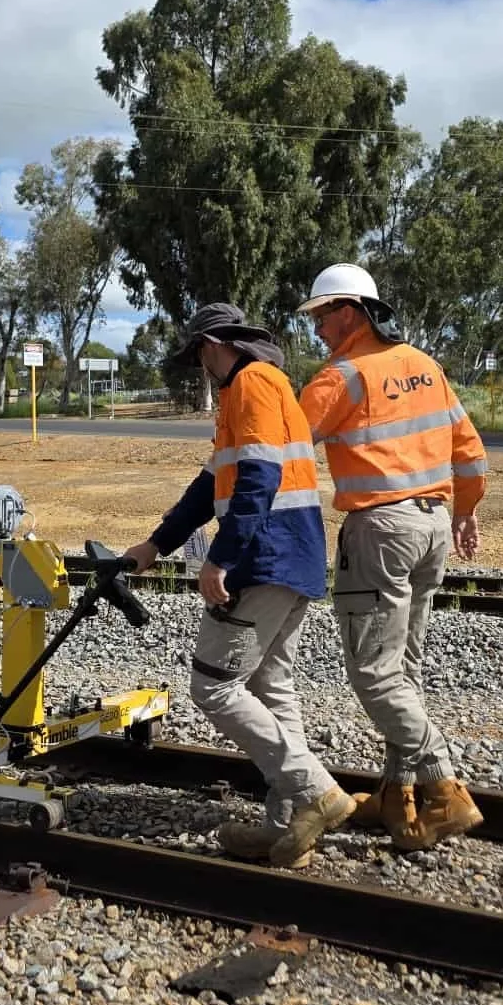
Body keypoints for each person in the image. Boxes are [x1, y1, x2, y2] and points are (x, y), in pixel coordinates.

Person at [123, 304, 355, 869]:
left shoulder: (251, 382)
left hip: (263, 556)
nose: (200, 365)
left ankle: (317, 792)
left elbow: (258, 479)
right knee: (273, 686)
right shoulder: (253, 390)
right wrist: (156, 545)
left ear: (213, 344)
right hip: (293, 558)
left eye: (199, 353)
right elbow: (209, 487)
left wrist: (220, 560)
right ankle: (288, 826)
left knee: (215, 687)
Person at [297, 264, 488, 853]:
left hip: (380, 528)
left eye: (322, 317)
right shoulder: (426, 367)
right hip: (433, 526)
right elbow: (471, 451)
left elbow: (282, 449)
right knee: (404, 668)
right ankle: (397, 794)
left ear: (351, 313)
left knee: (374, 674)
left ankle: (443, 785)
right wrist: (464, 509)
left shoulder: (340, 377)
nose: (319, 330)